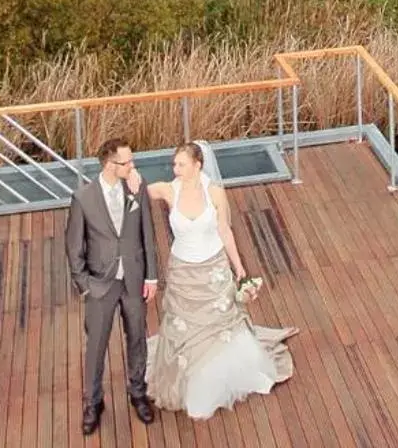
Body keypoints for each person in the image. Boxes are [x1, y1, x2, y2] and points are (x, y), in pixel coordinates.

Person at [144, 140, 295, 419]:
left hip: (213, 268)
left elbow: (224, 230)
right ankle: (186, 381)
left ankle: (215, 381)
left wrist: (238, 267)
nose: (175, 169)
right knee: (184, 326)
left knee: (219, 325)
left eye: (181, 164)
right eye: (174, 164)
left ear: (197, 165)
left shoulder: (214, 193)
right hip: (183, 271)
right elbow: (142, 191)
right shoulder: (169, 189)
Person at [64, 136, 159, 436]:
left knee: (137, 340)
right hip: (100, 284)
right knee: (95, 347)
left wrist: (151, 276)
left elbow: (147, 232)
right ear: (108, 164)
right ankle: (93, 403)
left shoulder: (137, 187)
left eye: (132, 160)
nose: (132, 166)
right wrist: (85, 285)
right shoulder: (83, 198)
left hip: (133, 278)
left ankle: (138, 393)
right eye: (126, 162)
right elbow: (73, 246)